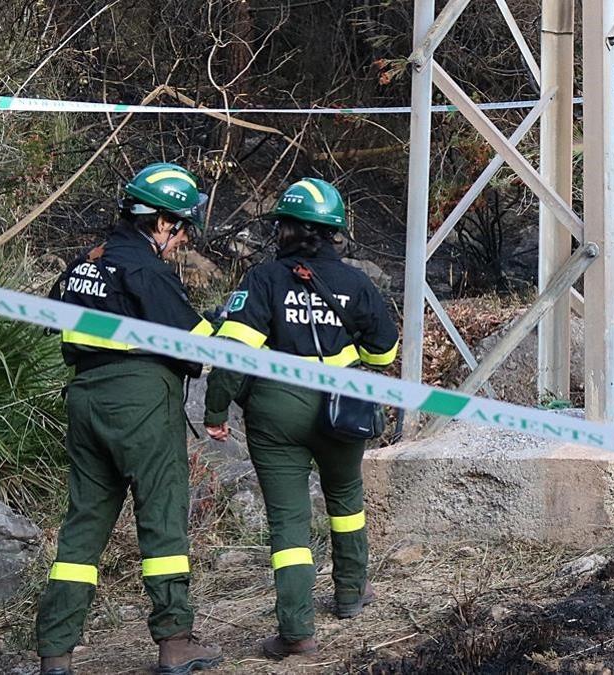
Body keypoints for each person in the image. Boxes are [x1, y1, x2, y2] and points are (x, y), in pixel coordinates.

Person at [202, 177, 399, 659]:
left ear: (285, 230)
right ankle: (351, 593)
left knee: (288, 521)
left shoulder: (264, 279)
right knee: (347, 497)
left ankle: (296, 632)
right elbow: (385, 349)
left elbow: (233, 352)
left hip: (276, 411)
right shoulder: (357, 282)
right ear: (335, 232)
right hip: (342, 406)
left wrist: (215, 409)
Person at [38, 163, 223, 674]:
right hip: (139, 397)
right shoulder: (146, 270)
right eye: (180, 227)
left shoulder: (84, 261)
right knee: (161, 513)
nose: (182, 239)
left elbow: (53, 321)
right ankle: (175, 642)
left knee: (82, 525)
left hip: (84, 396)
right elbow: (195, 346)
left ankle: (56, 652)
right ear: (160, 223)